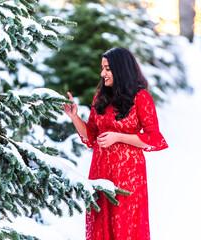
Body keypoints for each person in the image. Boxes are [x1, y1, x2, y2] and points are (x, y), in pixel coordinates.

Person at [63, 47, 168, 240]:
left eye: (108, 69)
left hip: (128, 176)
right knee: (102, 223)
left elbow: (154, 138)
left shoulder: (141, 97)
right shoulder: (101, 97)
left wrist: (119, 137)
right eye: (102, 68)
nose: (102, 73)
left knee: (124, 225)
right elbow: (92, 135)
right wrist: (74, 117)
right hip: (101, 170)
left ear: (121, 69)